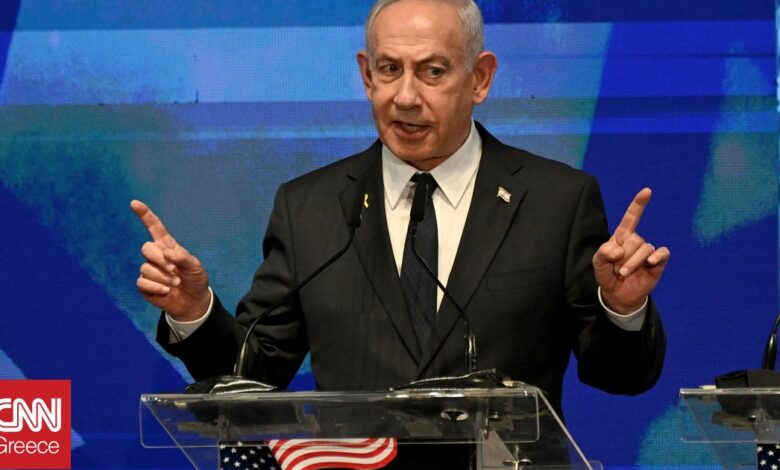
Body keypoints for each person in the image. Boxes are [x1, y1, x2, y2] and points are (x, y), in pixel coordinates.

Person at [132, 0, 667, 442]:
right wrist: (195, 312)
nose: (406, 97)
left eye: (433, 71)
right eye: (389, 70)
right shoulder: (310, 208)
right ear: (366, 75)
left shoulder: (556, 202)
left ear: (480, 78)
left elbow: (621, 376)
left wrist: (622, 309)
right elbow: (254, 374)